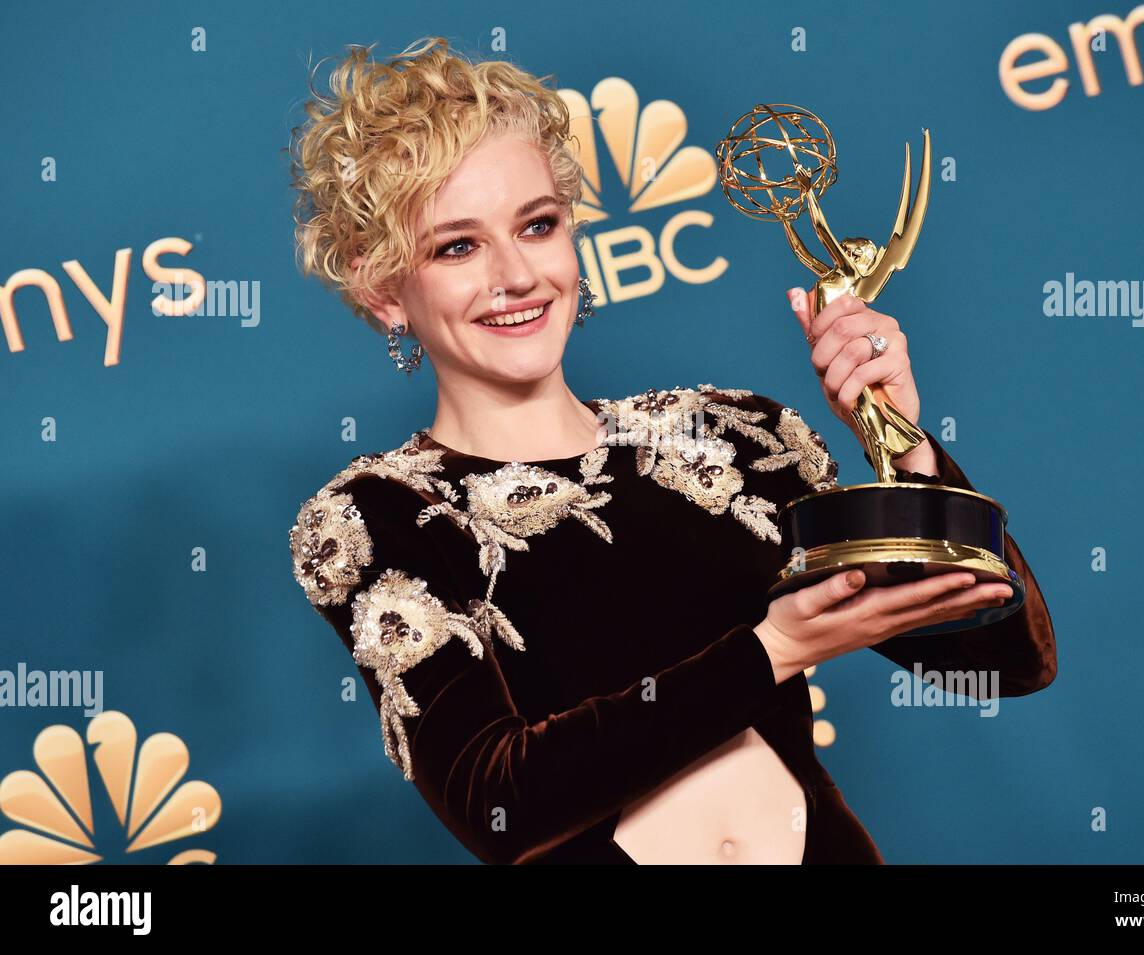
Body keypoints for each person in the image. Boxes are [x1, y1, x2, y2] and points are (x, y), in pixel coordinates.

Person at [286, 35, 1057, 865]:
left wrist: (901, 450)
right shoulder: (377, 516)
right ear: (382, 291)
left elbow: (1004, 656)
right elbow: (499, 802)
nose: (516, 275)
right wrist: (778, 648)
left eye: (538, 225)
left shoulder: (733, 437)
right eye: (458, 246)